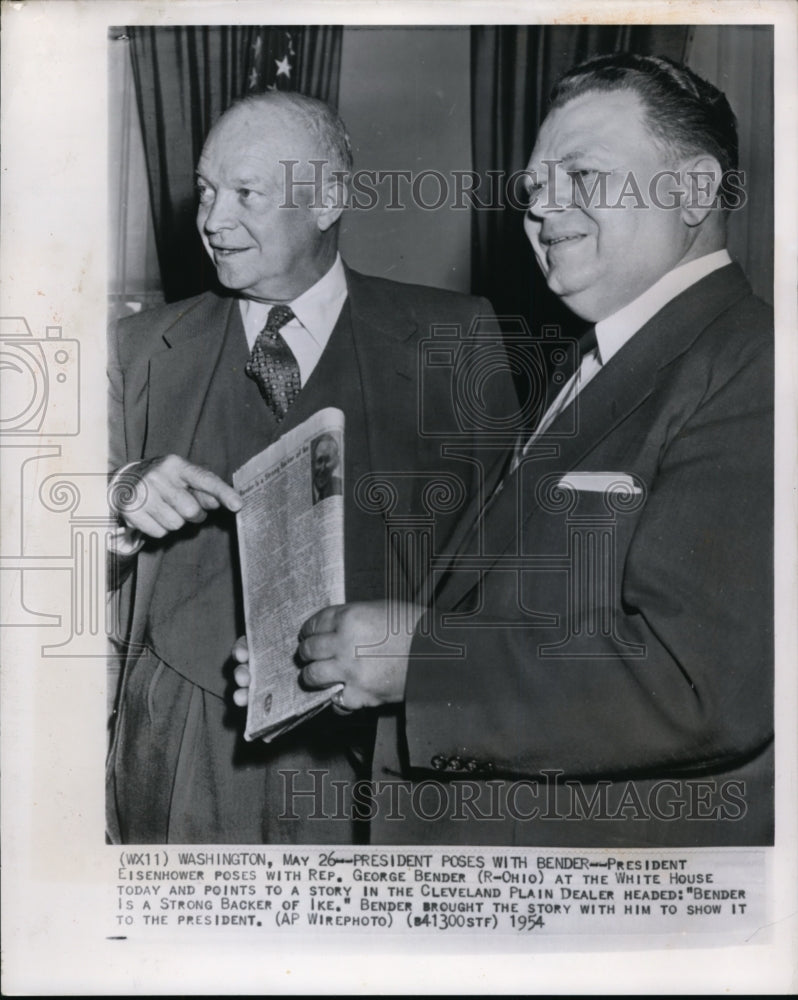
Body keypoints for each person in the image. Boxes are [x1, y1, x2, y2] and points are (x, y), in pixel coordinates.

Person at [244, 54, 773, 847]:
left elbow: (696, 682)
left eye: (582, 175)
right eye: (532, 188)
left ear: (694, 191)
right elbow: (507, 615)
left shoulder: (757, 366)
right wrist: (339, 660)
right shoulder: (584, 363)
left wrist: (418, 660)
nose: (542, 208)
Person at [106, 91, 515, 844]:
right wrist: (120, 499)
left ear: (328, 200)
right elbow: (36, 541)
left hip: (380, 752)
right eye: (205, 191)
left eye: (246, 194)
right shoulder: (138, 352)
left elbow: (502, 563)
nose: (213, 221)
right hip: (182, 747)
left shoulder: (454, 338)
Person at [311, 433, 343, 502]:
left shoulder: (342, 487)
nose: (323, 468)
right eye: (319, 461)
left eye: (328, 460)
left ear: (336, 463)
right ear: (312, 463)